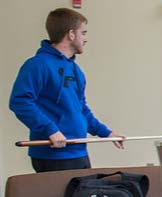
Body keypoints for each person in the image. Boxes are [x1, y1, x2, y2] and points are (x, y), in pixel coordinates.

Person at [9, 7, 124, 173]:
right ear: (71, 34)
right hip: (53, 155)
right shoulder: (37, 65)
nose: (86, 39)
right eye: (83, 33)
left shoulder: (76, 70)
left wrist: (106, 133)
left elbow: (81, 109)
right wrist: (51, 130)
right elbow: (20, 102)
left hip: (78, 151)